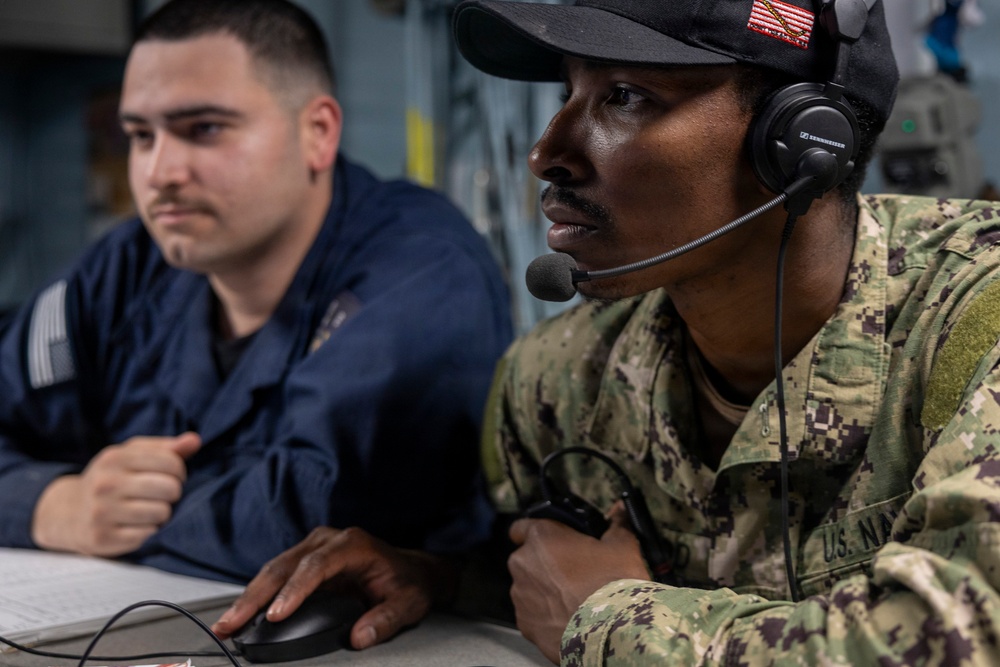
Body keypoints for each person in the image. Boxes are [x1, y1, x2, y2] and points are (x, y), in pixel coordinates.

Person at [217, 0, 1000, 663]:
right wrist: (446, 578)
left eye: (624, 96)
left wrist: (611, 621)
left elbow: (963, 637)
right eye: (569, 91)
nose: (545, 153)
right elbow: (577, 567)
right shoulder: (560, 378)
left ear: (800, 143)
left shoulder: (977, 318)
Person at [0, 0, 513, 588]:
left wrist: (126, 517)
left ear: (317, 133)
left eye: (205, 130)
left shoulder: (421, 267)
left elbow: (311, 519)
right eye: (141, 136)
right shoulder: (129, 267)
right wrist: (54, 506)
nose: (159, 171)